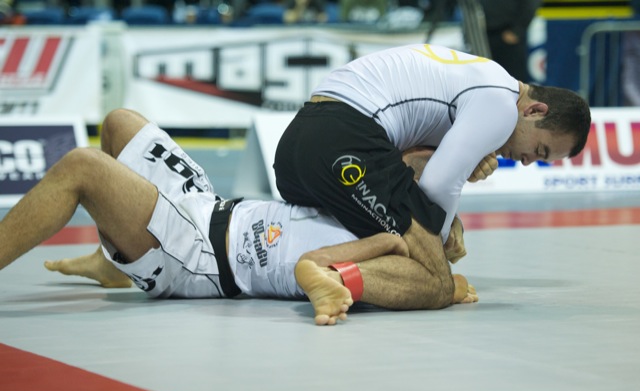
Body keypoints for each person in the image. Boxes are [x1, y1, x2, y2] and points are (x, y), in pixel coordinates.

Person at [0, 109, 477, 326]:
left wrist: (441, 277)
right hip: (210, 205)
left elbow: (326, 266)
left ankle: (131, 259)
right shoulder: (377, 198)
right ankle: (114, 261)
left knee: (82, 167)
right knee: (118, 123)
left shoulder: (391, 243)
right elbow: (418, 166)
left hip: (196, 255)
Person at [273, 43, 592, 305]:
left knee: (384, 238)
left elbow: (412, 166)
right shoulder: (502, 105)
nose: (527, 161)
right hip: (344, 141)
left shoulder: (484, 77)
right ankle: (331, 276)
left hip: (297, 147)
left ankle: (318, 267)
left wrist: (444, 217)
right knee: (436, 280)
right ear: (534, 110)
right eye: (540, 150)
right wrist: (438, 242)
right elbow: (440, 183)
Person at [478, 0, 541, 82]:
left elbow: (531, 3)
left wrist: (517, 30)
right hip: (480, 34)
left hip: (508, 34)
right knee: (484, 80)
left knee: (513, 81)